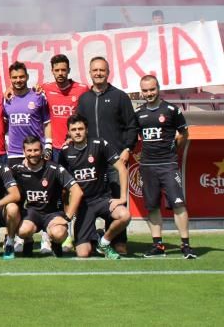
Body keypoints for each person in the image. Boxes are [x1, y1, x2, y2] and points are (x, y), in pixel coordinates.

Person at [77, 55, 137, 255]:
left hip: (114, 161)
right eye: (95, 70)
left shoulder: (120, 96)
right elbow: (78, 127)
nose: (98, 73)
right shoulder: (84, 99)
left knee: (117, 201)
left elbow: (131, 126)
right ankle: (90, 236)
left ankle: (117, 239)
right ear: (90, 73)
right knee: (90, 201)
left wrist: (127, 148)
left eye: (102, 70)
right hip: (92, 163)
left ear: (108, 72)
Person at [134, 75, 196, 259]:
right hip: (147, 166)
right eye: (145, 91)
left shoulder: (171, 110)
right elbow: (132, 137)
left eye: (152, 89)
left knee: (178, 204)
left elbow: (184, 133)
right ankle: (158, 246)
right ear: (141, 91)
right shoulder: (138, 114)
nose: (149, 93)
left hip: (168, 164)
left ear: (158, 88)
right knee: (152, 206)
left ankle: (185, 245)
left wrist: (174, 149)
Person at [60, 114, 130, 260]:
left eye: (80, 129)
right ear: (69, 132)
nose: (77, 132)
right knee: (83, 253)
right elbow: (64, 187)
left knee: (125, 215)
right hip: (83, 205)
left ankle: (104, 242)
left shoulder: (99, 144)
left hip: (102, 199)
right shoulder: (65, 152)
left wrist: (122, 198)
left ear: (86, 130)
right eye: (74, 129)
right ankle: (95, 236)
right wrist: (68, 209)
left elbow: (122, 169)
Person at [10, 135, 82, 257]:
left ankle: (55, 242)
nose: (33, 154)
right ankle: (28, 241)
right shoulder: (18, 170)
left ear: (42, 150)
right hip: (32, 213)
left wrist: (68, 217)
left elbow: (77, 191)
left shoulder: (54, 169)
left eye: (36, 150)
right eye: (29, 151)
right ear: (24, 152)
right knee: (22, 231)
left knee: (58, 233)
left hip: (53, 213)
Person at [3, 61, 51, 167]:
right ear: (10, 79)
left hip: (36, 152)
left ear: (27, 77)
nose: (18, 80)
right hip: (14, 154)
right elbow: (4, 126)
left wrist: (48, 145)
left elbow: (47, 123)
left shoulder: (38, 96)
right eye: (14, 77)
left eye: (21, 77)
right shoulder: (6, 99)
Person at [40, 54, 89, 151]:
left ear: (69, 70)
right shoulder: (45, 88)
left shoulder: (82, 89)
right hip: (55, 147)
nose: (60, 73)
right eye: (57, 70)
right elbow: (26, 91)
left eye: (63, 70)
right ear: (52, 71)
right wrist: (11, 88)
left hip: (76, 144)